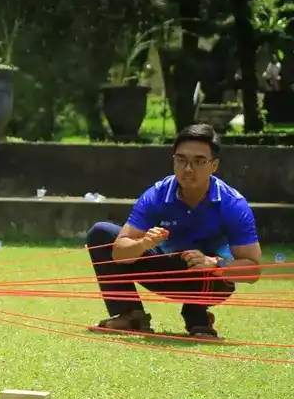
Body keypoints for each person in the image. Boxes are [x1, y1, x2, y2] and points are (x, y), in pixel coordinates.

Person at [85, 124, 262, 339]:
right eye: (181, 160)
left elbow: (253, 270)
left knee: (203, 264)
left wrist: (216, 264)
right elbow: (118, 253)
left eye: (199, 161)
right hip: (163, 269)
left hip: (209, 279)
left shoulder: (233, 204)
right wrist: (143, 244)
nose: (188, 168)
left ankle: (198, 318)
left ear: (214, 166)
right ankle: (130, 315)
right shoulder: (157, 194)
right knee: (101, 233)